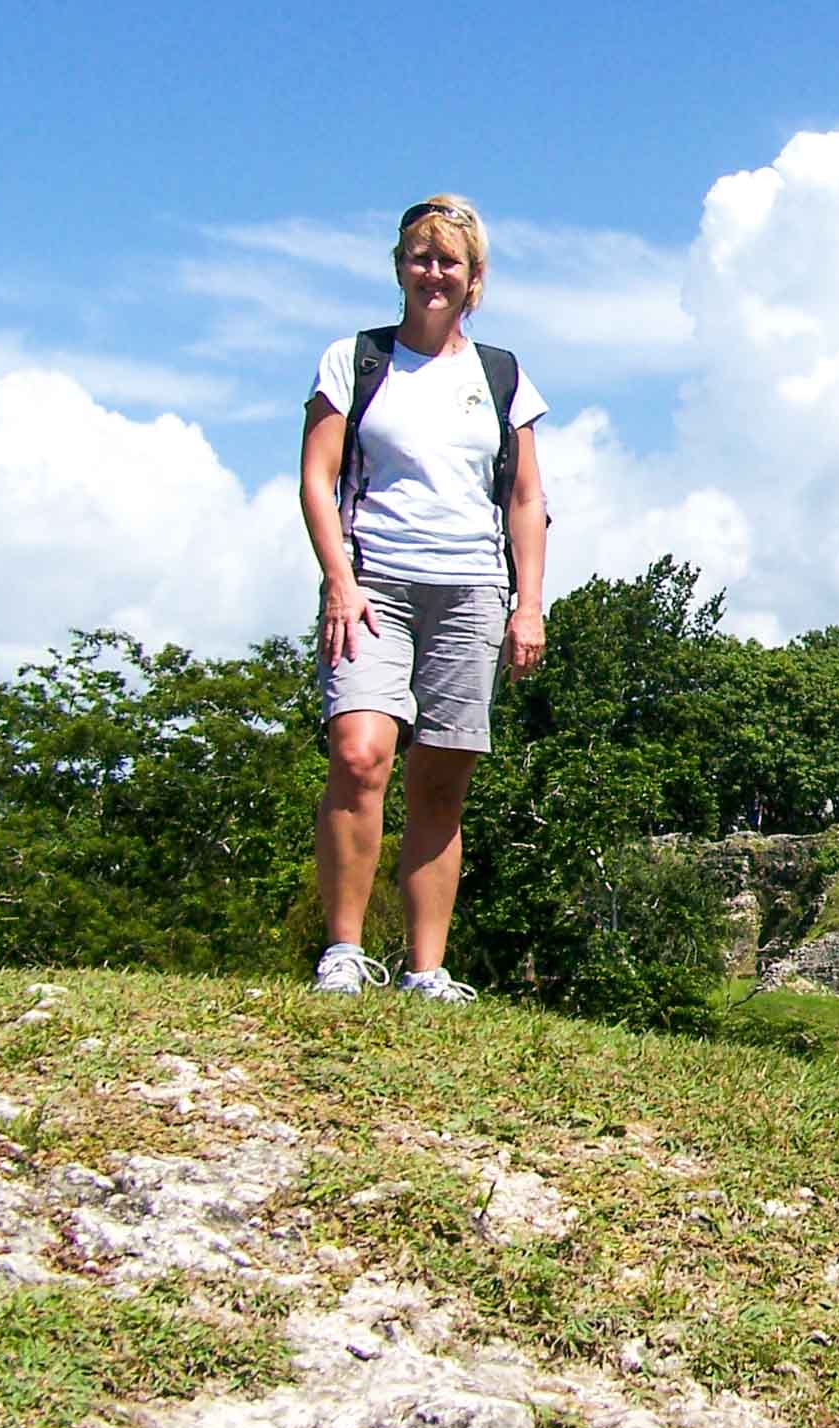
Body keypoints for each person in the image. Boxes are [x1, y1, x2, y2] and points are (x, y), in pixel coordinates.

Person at [300, 194, 549, 1003]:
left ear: (474, 278)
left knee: (441, 784)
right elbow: (317, 477)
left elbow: (526, 501)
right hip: (372, 583)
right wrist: (338, 579)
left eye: (449, 261)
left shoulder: (502, 376)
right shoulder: (355, 360)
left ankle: (426, 969)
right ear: (399, 266)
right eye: (420, 257)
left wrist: (528, 603)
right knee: (360, 754)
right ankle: (342, 953)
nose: (432, 273)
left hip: (472, 589)